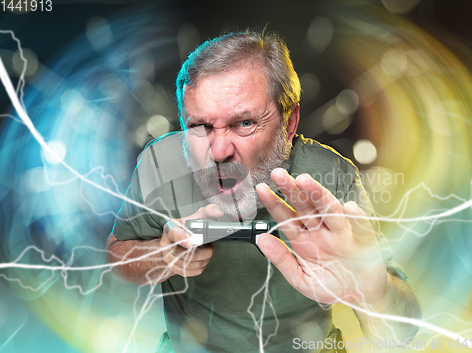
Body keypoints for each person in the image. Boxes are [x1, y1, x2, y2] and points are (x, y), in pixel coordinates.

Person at [106, 30, 421, 353]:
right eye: (200, 127)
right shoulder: (160, 163)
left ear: (289, 122)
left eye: (244, 123)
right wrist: (163, 255)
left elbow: (400, 334)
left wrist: (374, 292)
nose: (218, 151)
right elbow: (116, 254)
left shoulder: (330, 177)